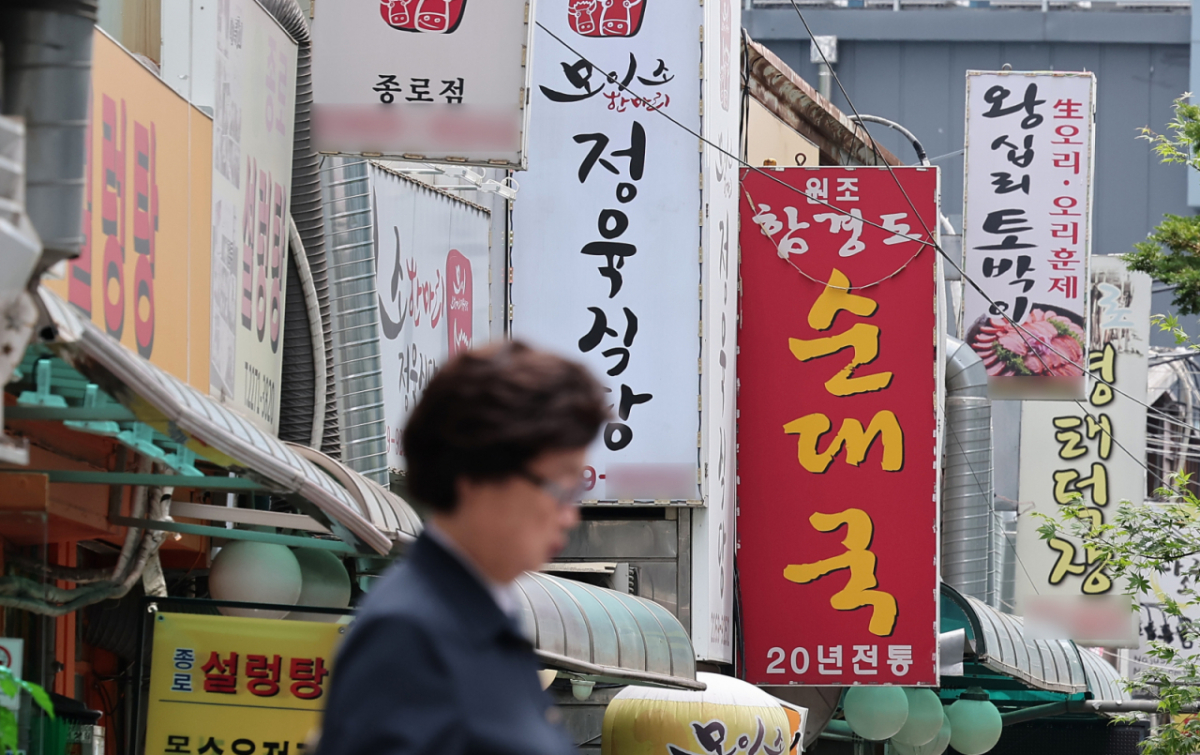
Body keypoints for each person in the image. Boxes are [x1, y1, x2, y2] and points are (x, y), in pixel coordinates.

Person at [318, 341, 607, 755]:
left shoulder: (483, 618)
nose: (570, 515)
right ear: (475, 475)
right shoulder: (408, 633)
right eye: (559, 486)